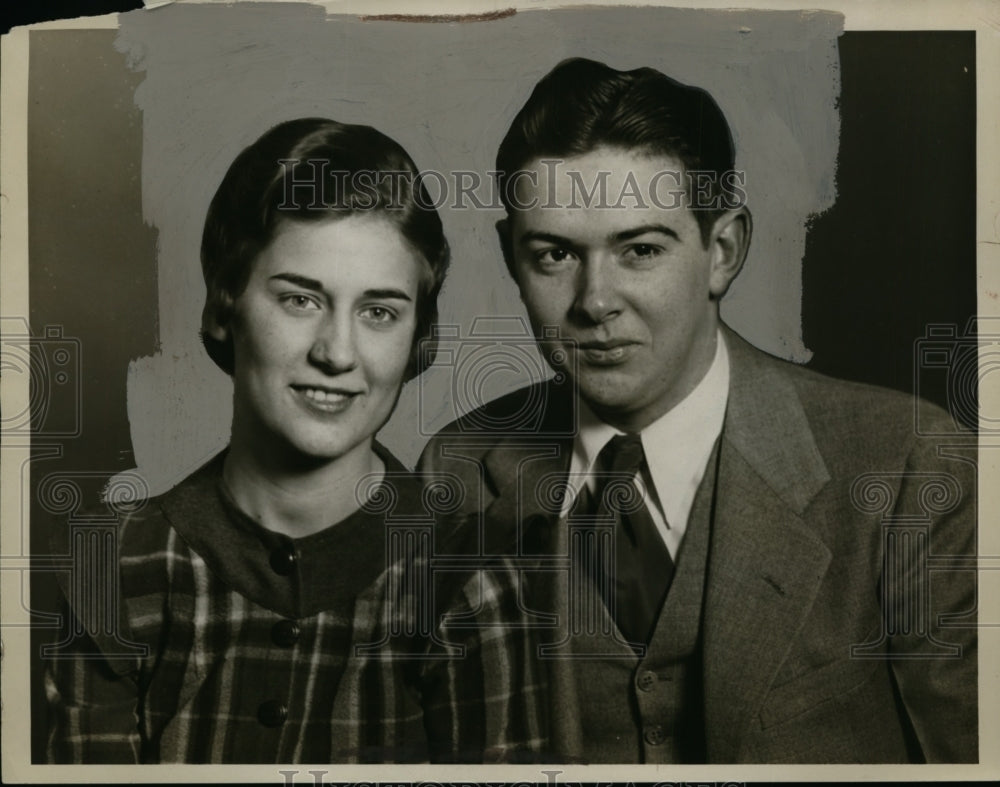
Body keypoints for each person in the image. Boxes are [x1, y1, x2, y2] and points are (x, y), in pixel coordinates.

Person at [418, 58, 977, 763]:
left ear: (723, 250)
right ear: (510, 255)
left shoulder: (907, 466)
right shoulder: (458, 468)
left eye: (641, 249)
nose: (595, 301)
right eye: (555, 253)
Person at [44, 118, 544, 763]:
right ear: (226, 303)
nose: (337, 353)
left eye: (379, 312)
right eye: (300, 300)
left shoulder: (468, 580)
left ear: (419, 338)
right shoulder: (112, 569)